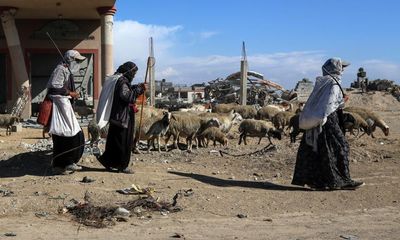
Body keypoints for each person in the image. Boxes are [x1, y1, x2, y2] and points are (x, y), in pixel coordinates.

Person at [292, 58, 364, 190]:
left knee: (320, 149)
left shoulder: (322, 83)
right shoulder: (333, 84)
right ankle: (342, 180)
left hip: (318, 120)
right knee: (340, 147)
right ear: (335, 69)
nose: (343, 70)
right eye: (341, 67)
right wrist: (343, 100)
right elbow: (330, 104)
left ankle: (321, 181)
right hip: (328, 120)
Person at [96, 61, 145, 174]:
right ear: (128, 71)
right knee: (123, 142)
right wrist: (139, 90)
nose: (134, 75)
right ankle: (122, 166)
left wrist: (137, 87)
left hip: (117, 116)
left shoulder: (119, 79)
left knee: (114, 141)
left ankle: (108, 162)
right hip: (123, 117)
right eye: (133, 73)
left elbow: (126, 90)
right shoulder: (122, 81)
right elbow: (127, 96)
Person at [46, 50, 86, 174]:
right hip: (60, 107)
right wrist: (70, 93)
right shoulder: (60, 69)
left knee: (64, 135)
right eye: (77, 61)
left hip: (64, 107)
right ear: (70, 60)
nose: (79, 63)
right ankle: (66, 163)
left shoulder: (66, 70)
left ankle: (61, 166)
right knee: (69, 134)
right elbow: (54, 86)